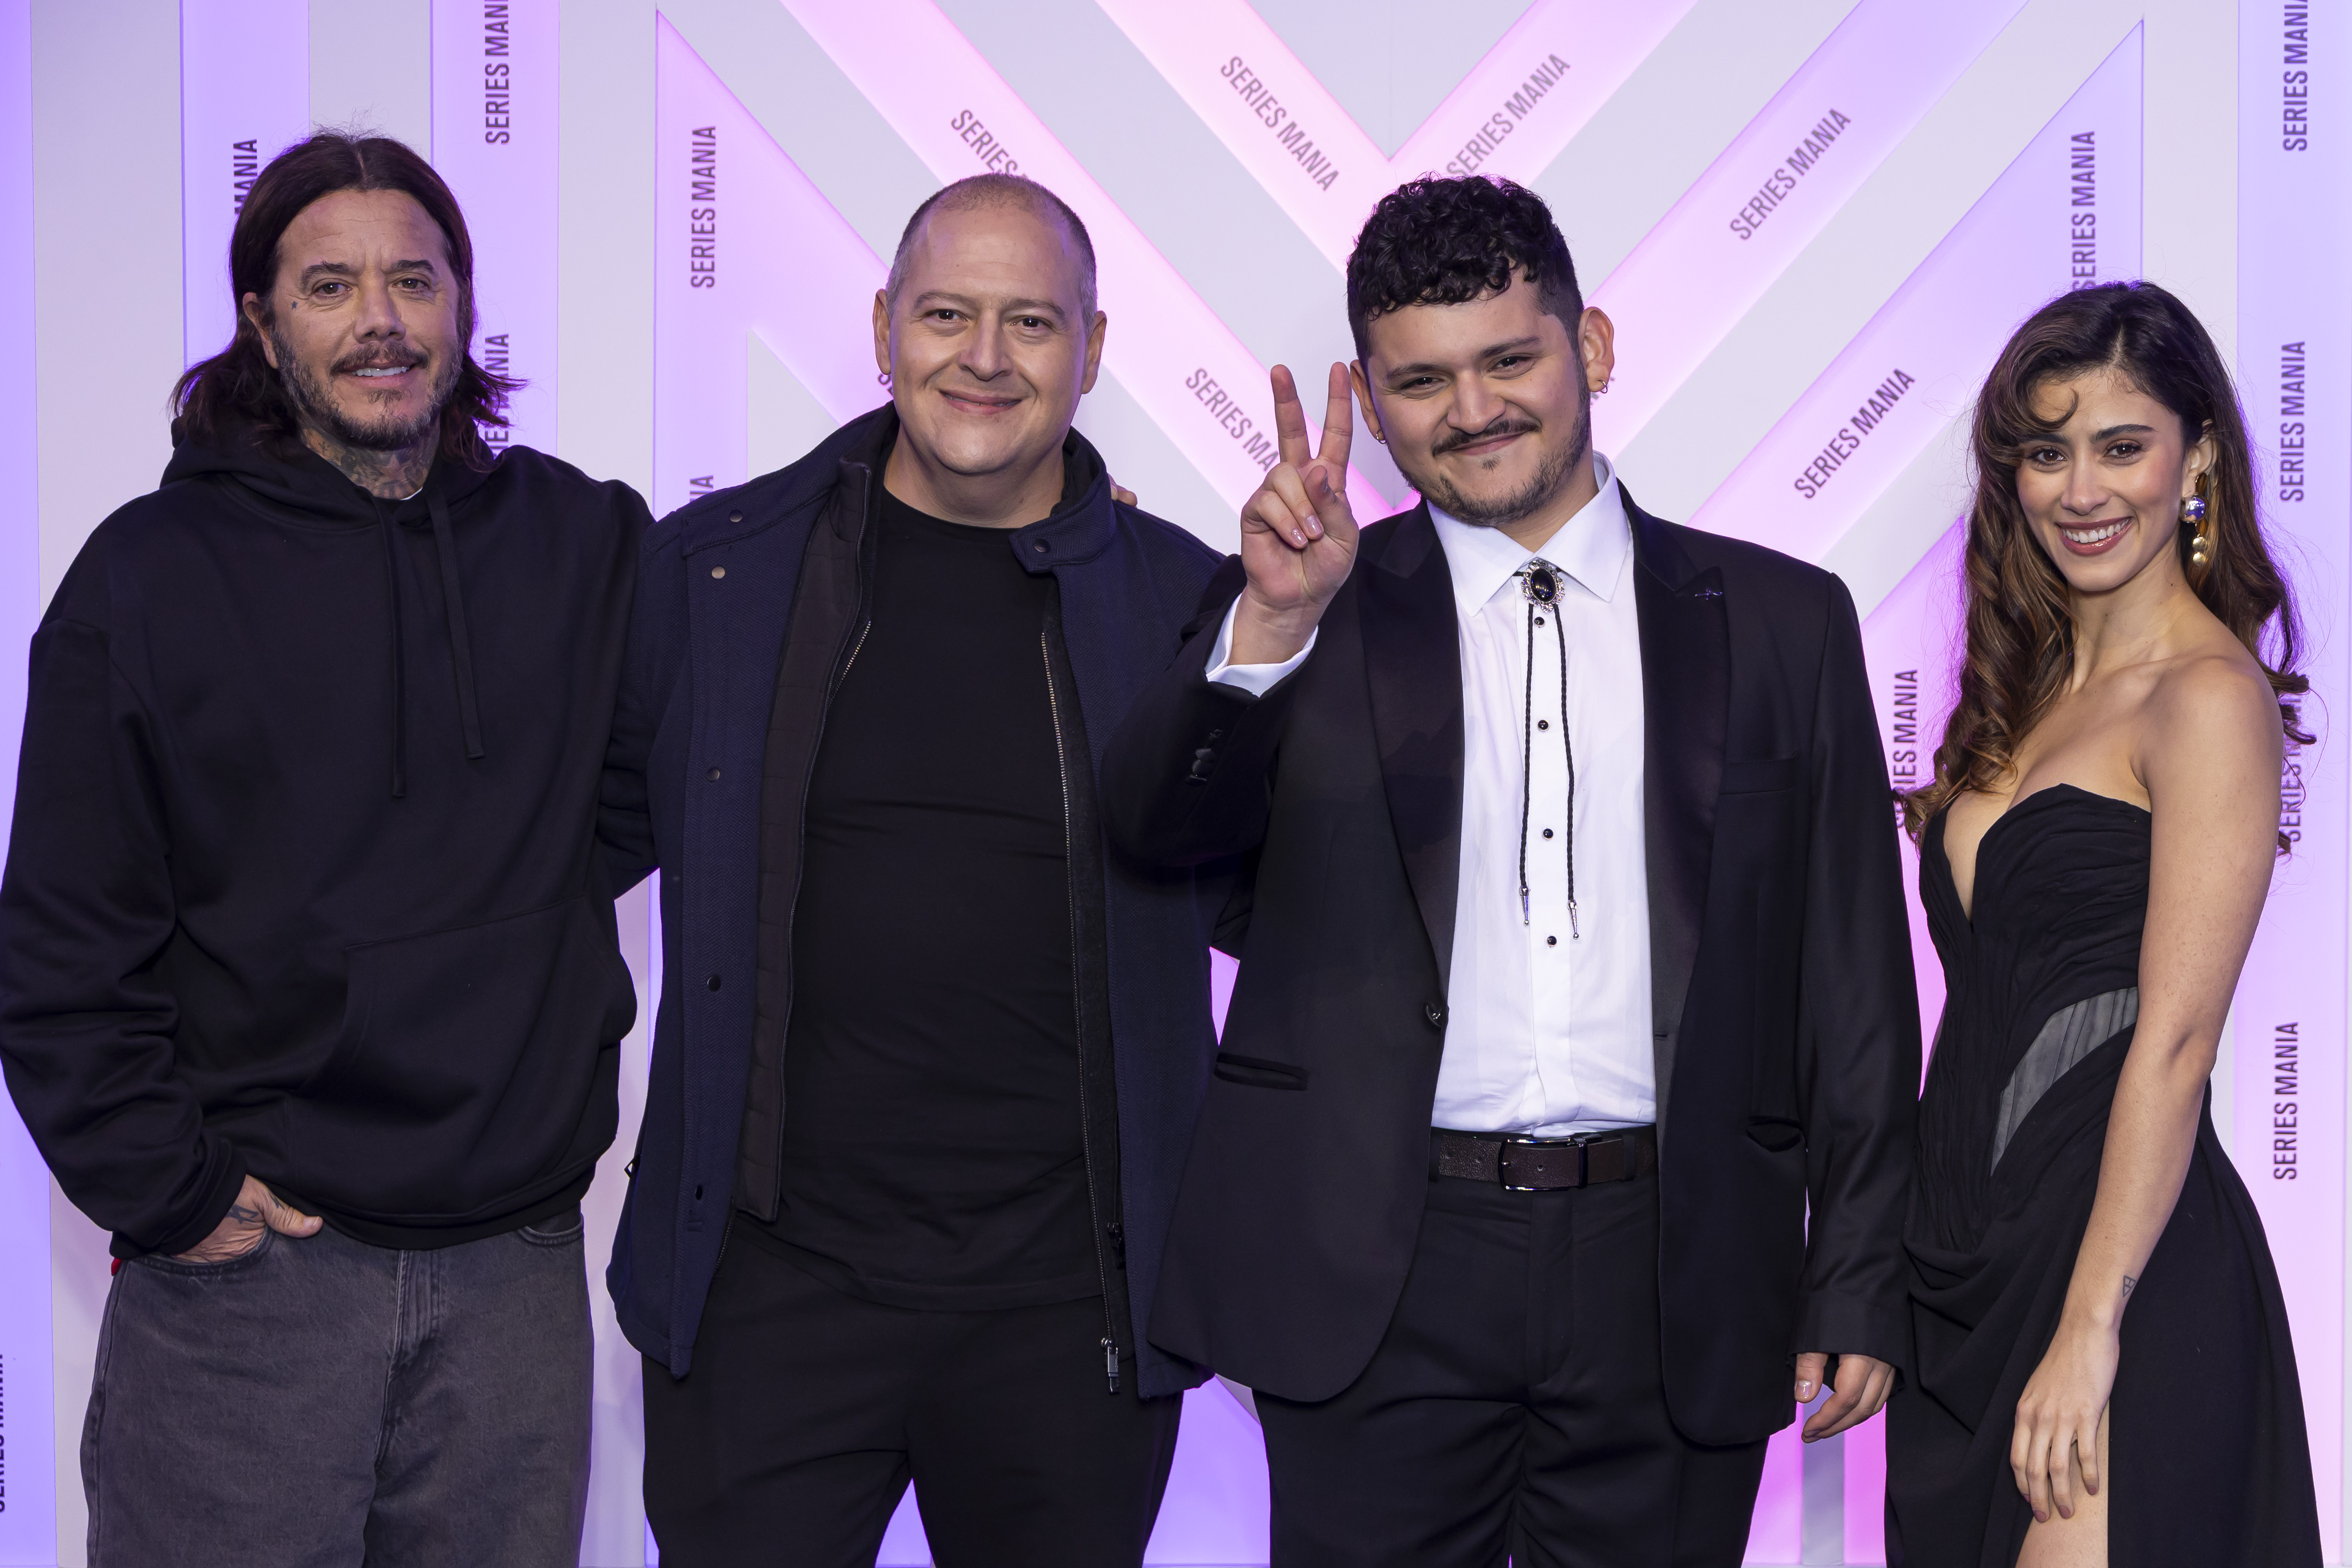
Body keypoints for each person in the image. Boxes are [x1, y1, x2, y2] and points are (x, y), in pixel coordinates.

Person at [1102, 174, 1919, 1565]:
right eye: (1421, 380)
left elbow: (1852, 979)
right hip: (1376, 1261)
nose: (1471, 409)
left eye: (1509, 359)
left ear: (1590, 346)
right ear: (1372, 393)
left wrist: (1854, 1280)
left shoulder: (1783, 620)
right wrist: (1267, 628)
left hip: (1672, 1270)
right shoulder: (1310, 596)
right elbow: (1158, 835)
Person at [0, 133, 648, 1566]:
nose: (380, 321)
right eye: (331, 285)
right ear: (260, 322)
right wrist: (170, 1195)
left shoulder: (582, 543)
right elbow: (61, 937)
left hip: (518, 1282)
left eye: (413, 280)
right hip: (258, 1281)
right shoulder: (148, 579)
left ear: (462, 305)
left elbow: (657, 784)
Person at [601, 173, 1230, 1568]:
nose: (986, 358)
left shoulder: (1185, 601)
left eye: (1032, 322)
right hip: (768, 1290)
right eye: (947, 314)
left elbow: (1278, 901)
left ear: (1095, 349)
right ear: (882, 327)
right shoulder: (717, 573)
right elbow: (549, 864)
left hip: (1068, 1316)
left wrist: (1284, 655)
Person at [1887, 282, 2322, 1566]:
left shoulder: (2208, 698)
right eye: (2045, 450)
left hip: (2122, 1270)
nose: (2081, 487)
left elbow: (2176, 1043)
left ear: (2197, 458)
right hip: (1964, 1270)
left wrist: (2093, 1324)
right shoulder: (2014, 706)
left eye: (2121, 446)